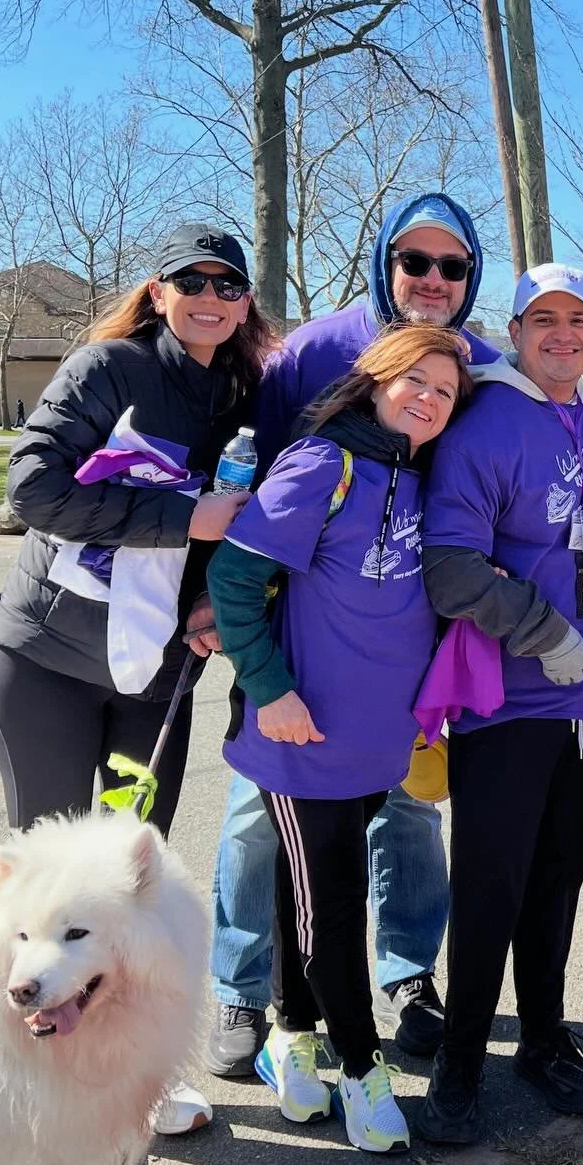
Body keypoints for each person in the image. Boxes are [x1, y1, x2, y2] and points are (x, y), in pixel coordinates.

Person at [0, 223, 273, 1135]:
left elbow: (243, 526)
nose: (212, 297)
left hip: (154, 671)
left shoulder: (242, 392)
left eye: (230, 284)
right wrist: (185, 516)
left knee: (127, 888)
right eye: (194, 280)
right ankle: (33, 1081)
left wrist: (213, 604)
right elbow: (33, 490)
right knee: (48, 896)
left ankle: (132, 1082)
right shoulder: (106, 371)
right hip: (46, 663)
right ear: (158, 291)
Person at [204, 193, 500, 1078]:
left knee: (407, 809)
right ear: (385, 264)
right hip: (300, 637)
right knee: (263, 816)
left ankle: (406, 977)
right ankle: (244, 985)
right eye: (416, 261)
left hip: (406, 644)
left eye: (453, 267)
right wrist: (220, 611)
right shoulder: (314, 351)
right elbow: (243, 472)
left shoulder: (481, 364)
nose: (434, 280)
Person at [417, 263, 583, 1145]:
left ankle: (544, 1040)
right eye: (542, 318)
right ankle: (460, 1059)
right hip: (509, 705)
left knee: (556, 884)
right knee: (490, 888)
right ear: (513, 330)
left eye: (578, 319)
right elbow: (450, 566)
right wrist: (545, 633)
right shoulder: (483, 423)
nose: (562, 334)